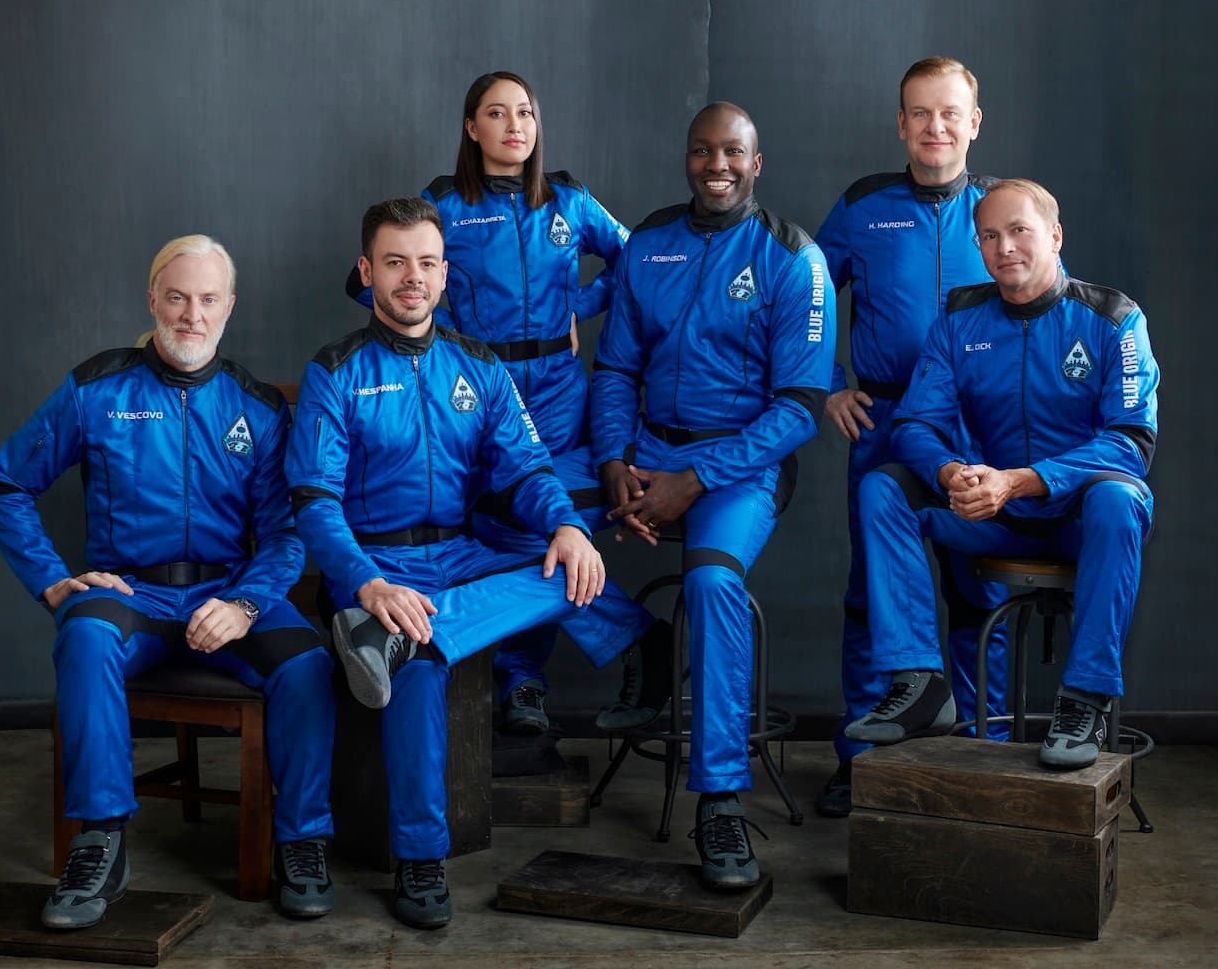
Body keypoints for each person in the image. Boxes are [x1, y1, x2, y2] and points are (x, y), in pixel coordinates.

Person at [292, 197, 666, 929]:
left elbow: (526, 467)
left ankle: (417, 633)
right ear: (368, 272)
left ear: (445, 274)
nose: (413, 278)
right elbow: (313, 503)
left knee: (566, 565)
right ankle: (422, 860)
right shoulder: (334, 372)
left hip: (459, 556)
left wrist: (564, 522)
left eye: (427, 263)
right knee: (423, 667)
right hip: (373, 567)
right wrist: (365, 582)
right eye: (395, 263)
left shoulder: (478, 366)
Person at [0, 236, 336, 928]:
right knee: (83, 637)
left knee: (307, 662)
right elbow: (4, 484)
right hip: (130, 595)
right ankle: (102, 842)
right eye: (177, 297)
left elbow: (288, 533)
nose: (191, 315)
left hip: (228, 595)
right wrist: (53, 582)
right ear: (153, 300)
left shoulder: (257, 408)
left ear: (229, 307)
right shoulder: (95, 389)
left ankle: (303, 843)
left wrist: (243, 603)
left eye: (207, 300)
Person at [343, 71, 646, 735]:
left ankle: (525, 680)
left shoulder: (569, 201)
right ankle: (600, 654)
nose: (514, 125)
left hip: (562, 389)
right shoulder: (446, 204)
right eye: (497, 113)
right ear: (471, 127)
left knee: (535, 521)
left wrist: (582, 304)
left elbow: (637, 261)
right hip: (481, 392)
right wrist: (446, 345)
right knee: (509, 523)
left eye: (526, 113)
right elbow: (381, 289)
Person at [590, 103, 835, 889]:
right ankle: (640, 645)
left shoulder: (794, 257)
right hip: (647, 449)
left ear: (757, 163)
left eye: (733, 152)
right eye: (702, 151)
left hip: (741, 464)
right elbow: (617, 370)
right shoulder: (649, 245)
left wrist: (691, 482)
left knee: (710, 581)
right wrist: (613, 466)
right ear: (686, 158)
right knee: (533, 523)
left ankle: (721, 800)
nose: (716, 164)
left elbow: (799, 408)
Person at [848, 179, 1159, 770]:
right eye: (989, 235)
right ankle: (919, 683)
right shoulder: (960, 320)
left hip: (1077, 519)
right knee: (883, 485)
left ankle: (1086, 697)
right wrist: (949, 473)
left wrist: (1019, 480)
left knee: (1120, 499)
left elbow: (1131, 443)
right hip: (995, 517)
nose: (1004, 247)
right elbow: (914, 423)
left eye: (1019, 231)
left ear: (1055, 235)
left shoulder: (1113, 319)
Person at [811, 57, 1010, 817]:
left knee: (978, 590)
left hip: (977, 431)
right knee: (874, 596)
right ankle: (861, 756)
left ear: (973, 122)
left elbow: (1040, 309)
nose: (935, 128)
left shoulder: (999, 206)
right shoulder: (865, 206)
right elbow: (806, 298)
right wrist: (828, 382)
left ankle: (978, 754)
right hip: (887, 423)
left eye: (949, 113)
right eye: (920, 114)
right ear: (901, 124)